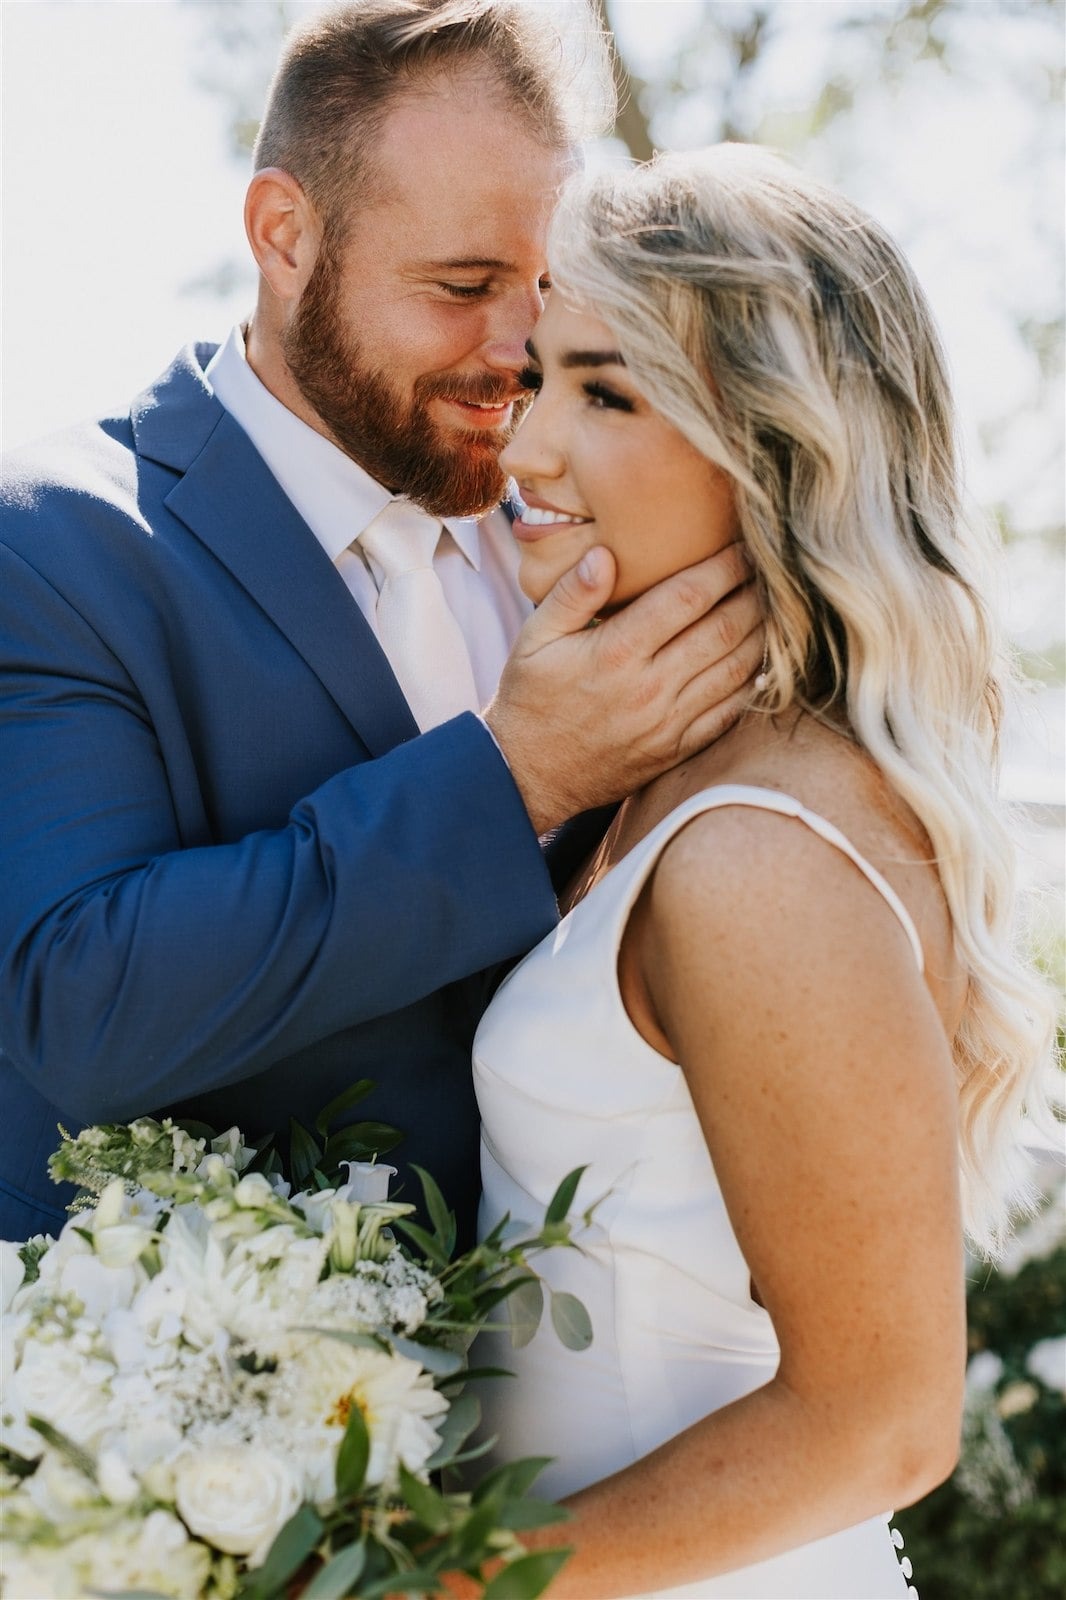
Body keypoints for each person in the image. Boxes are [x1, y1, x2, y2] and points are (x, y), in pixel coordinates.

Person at [0, 2, 764, 1244]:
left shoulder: (593, 530)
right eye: (463, 286)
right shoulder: (52, 543)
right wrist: (518, 776)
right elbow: (85, 1002)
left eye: (546, 290)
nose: (521, 351)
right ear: (285, 233)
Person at [470, 144, 1056, 1598]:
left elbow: (880, 1424)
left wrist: (435, 1581)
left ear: (777, 445)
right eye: (535, 379)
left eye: (606, 392)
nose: (528, 451)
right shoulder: (668, 793)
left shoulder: (755, 855)